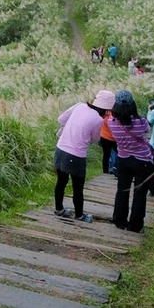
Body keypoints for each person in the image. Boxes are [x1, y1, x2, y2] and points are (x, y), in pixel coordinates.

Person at [54, 90, 116, 223]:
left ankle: (59, 209)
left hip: (60, 148)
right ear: (107, 109)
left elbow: (61, 119)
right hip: (76, 155)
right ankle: (80, 215)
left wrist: (70, 128)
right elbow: (94, 139)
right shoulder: (98, 120)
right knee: (78, 187)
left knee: (61, 182)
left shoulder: (79, 106)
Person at [108, 89, 154, 233]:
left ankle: (119, 220)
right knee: (140, 194)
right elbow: (147, 130)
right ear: (132, 104)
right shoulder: (141, 122)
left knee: (122, 191)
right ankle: (135, 226)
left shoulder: (111, 123)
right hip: (142, 162)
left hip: (123, 160)